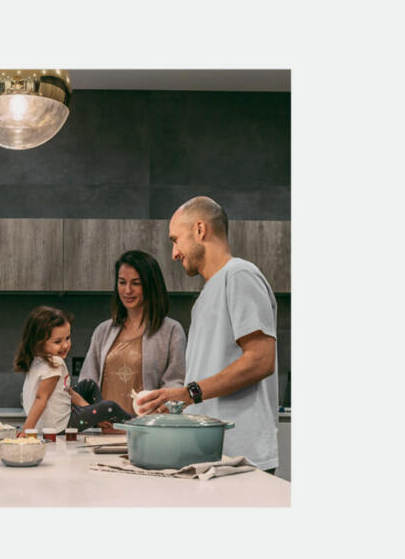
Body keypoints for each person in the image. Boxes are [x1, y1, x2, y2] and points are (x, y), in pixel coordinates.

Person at [133, 197, 280, 472]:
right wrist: (177, 402)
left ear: (200, 230)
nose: (174, 253)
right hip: (211, 454)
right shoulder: (205, 297)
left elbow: (261, 360)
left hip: (240, 457)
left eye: (176, 240)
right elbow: (206, 380)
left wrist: (189, 393)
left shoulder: (239, 275)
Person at [74, 250, 187, 419]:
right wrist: (92, 414)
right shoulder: (103, 331)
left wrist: (160, 409)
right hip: (104, 430)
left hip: (147, 430)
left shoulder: (171, 331)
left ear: (150, 285)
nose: (127, 290)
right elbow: (87, 382)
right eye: (122, 282)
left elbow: (175, 385)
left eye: (136, 283)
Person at [15, 306, 131, 436]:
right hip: (60, 426)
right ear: (38, 342)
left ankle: (103, 422)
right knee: (109, 407)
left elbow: (68, 392)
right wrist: (26, 430)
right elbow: (41, 398)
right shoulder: (54, 363)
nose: (65, 345)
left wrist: (91, 411)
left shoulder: (36, 360)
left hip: (52, 421)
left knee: (88, 385)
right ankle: (137, 424)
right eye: (58, 341)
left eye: (67, 338)